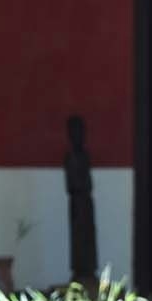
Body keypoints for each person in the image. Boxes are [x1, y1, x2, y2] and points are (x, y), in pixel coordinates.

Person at [64, 115, 98, 283]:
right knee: (78, 239)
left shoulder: (84, 156)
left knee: (88, 238)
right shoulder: (70, 157)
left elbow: (89, 182)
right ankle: (80, 270)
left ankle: (89, 269)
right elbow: (72, 185)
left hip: (86, 202)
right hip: (77, 203)